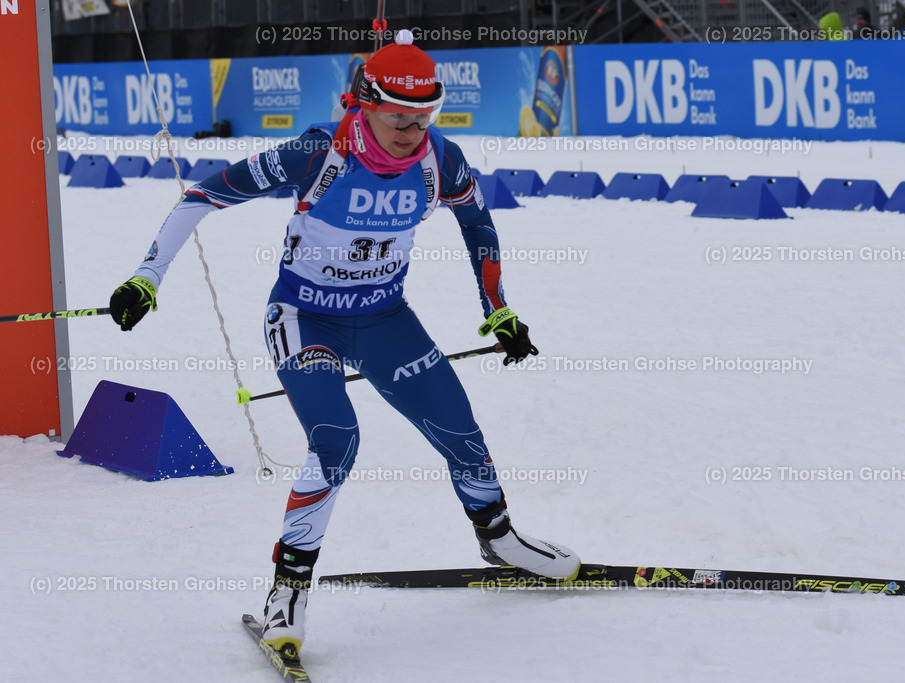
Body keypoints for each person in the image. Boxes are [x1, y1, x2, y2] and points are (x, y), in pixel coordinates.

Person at [108, 30, 580, 659]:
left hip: (386, 318)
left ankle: (499, 539)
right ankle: (288, 591)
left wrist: (498, 309)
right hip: (304, 318)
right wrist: (147, 276)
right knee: (337, 438)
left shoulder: (443, 159)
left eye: (424, 118)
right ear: (365, 104)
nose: (412, 132)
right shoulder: (317, 154)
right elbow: (201, 196)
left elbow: (477, 220)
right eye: (398, 118)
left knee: (459, 426)